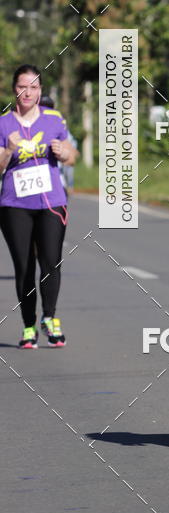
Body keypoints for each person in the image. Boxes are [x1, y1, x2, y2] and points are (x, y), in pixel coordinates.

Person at [0, 65, 78, 348]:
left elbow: (71, 155)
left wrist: (65, 152)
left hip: (51, 203)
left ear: (40, 91)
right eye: (22, 86)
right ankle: (29, 326)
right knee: (24, 266)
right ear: (14, 89)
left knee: (51, 262)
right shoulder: (3, 124)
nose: (28, 92)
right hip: (14, 204)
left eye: (33, 87)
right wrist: (8, 149)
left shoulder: (54, 120)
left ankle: (50, 318)